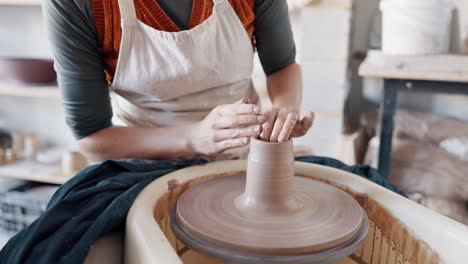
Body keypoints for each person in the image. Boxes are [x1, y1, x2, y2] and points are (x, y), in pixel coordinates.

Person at [44, 0, 314, 163]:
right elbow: (93, 140)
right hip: (142, 162)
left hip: (247, 154)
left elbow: (282, 66)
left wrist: (285, 109)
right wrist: (195, 137)